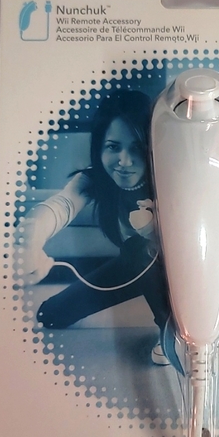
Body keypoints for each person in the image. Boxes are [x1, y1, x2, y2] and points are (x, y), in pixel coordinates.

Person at [18, 90, 176, 368]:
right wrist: (29, 240)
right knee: (49, 315)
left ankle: (171, 334)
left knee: (139, 247)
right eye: (113, 147)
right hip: (133, 266)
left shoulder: (170, 177)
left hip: (178, 275)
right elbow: (62, 205)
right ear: (99, 146)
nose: (124, 161)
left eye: (137, 148)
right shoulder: (94, 180)